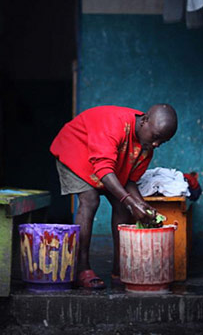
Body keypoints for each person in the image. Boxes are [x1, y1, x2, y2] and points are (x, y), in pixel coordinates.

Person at [50, 104, 178, 289]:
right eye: (156, 137)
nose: (157, 144)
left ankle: (120, 269)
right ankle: (82, 268)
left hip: (105, 165)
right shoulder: (114, 124)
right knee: (90, 199)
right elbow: (103, 169)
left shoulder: (146, 146)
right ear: (144, 121)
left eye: (162, 142)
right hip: (76, 152)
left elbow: (129, 181)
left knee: (122, 207)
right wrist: (129, 201)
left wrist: (141, 205)